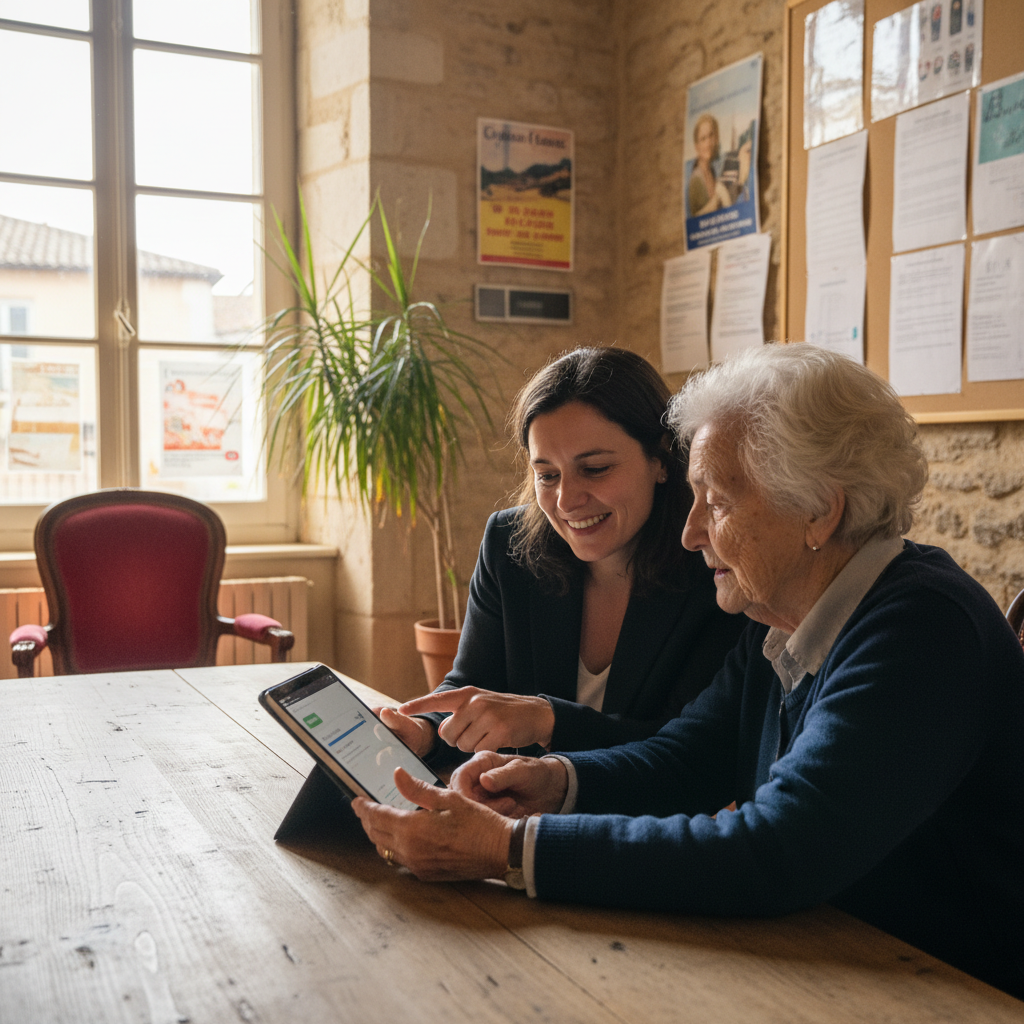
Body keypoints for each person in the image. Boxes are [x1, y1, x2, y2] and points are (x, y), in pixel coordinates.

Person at [353, 343, 1024, 1000]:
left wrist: (509, 847)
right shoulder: (787, 617)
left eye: (720, 502)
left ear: (820, 510)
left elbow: (776, 850)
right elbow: (687, 759)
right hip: (841, 958)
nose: (690, 531)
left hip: (961, 986)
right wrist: (553, 784)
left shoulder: (920, 627)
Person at [378, 346, 745, 761]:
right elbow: (474, 683)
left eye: (595, 469)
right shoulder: (508, 545)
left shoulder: (714, 565)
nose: (567, 500)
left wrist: (550, 722)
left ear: (661, 459)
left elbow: (689, 747)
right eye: (547, 475)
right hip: (521, 813)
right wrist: (423, 733)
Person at [687, 113, 732, 218]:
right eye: (703, 139)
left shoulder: (711, 170)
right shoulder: (696, 180)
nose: (708, 143)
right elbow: (695, 219)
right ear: (697, 146)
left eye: (711, 136)